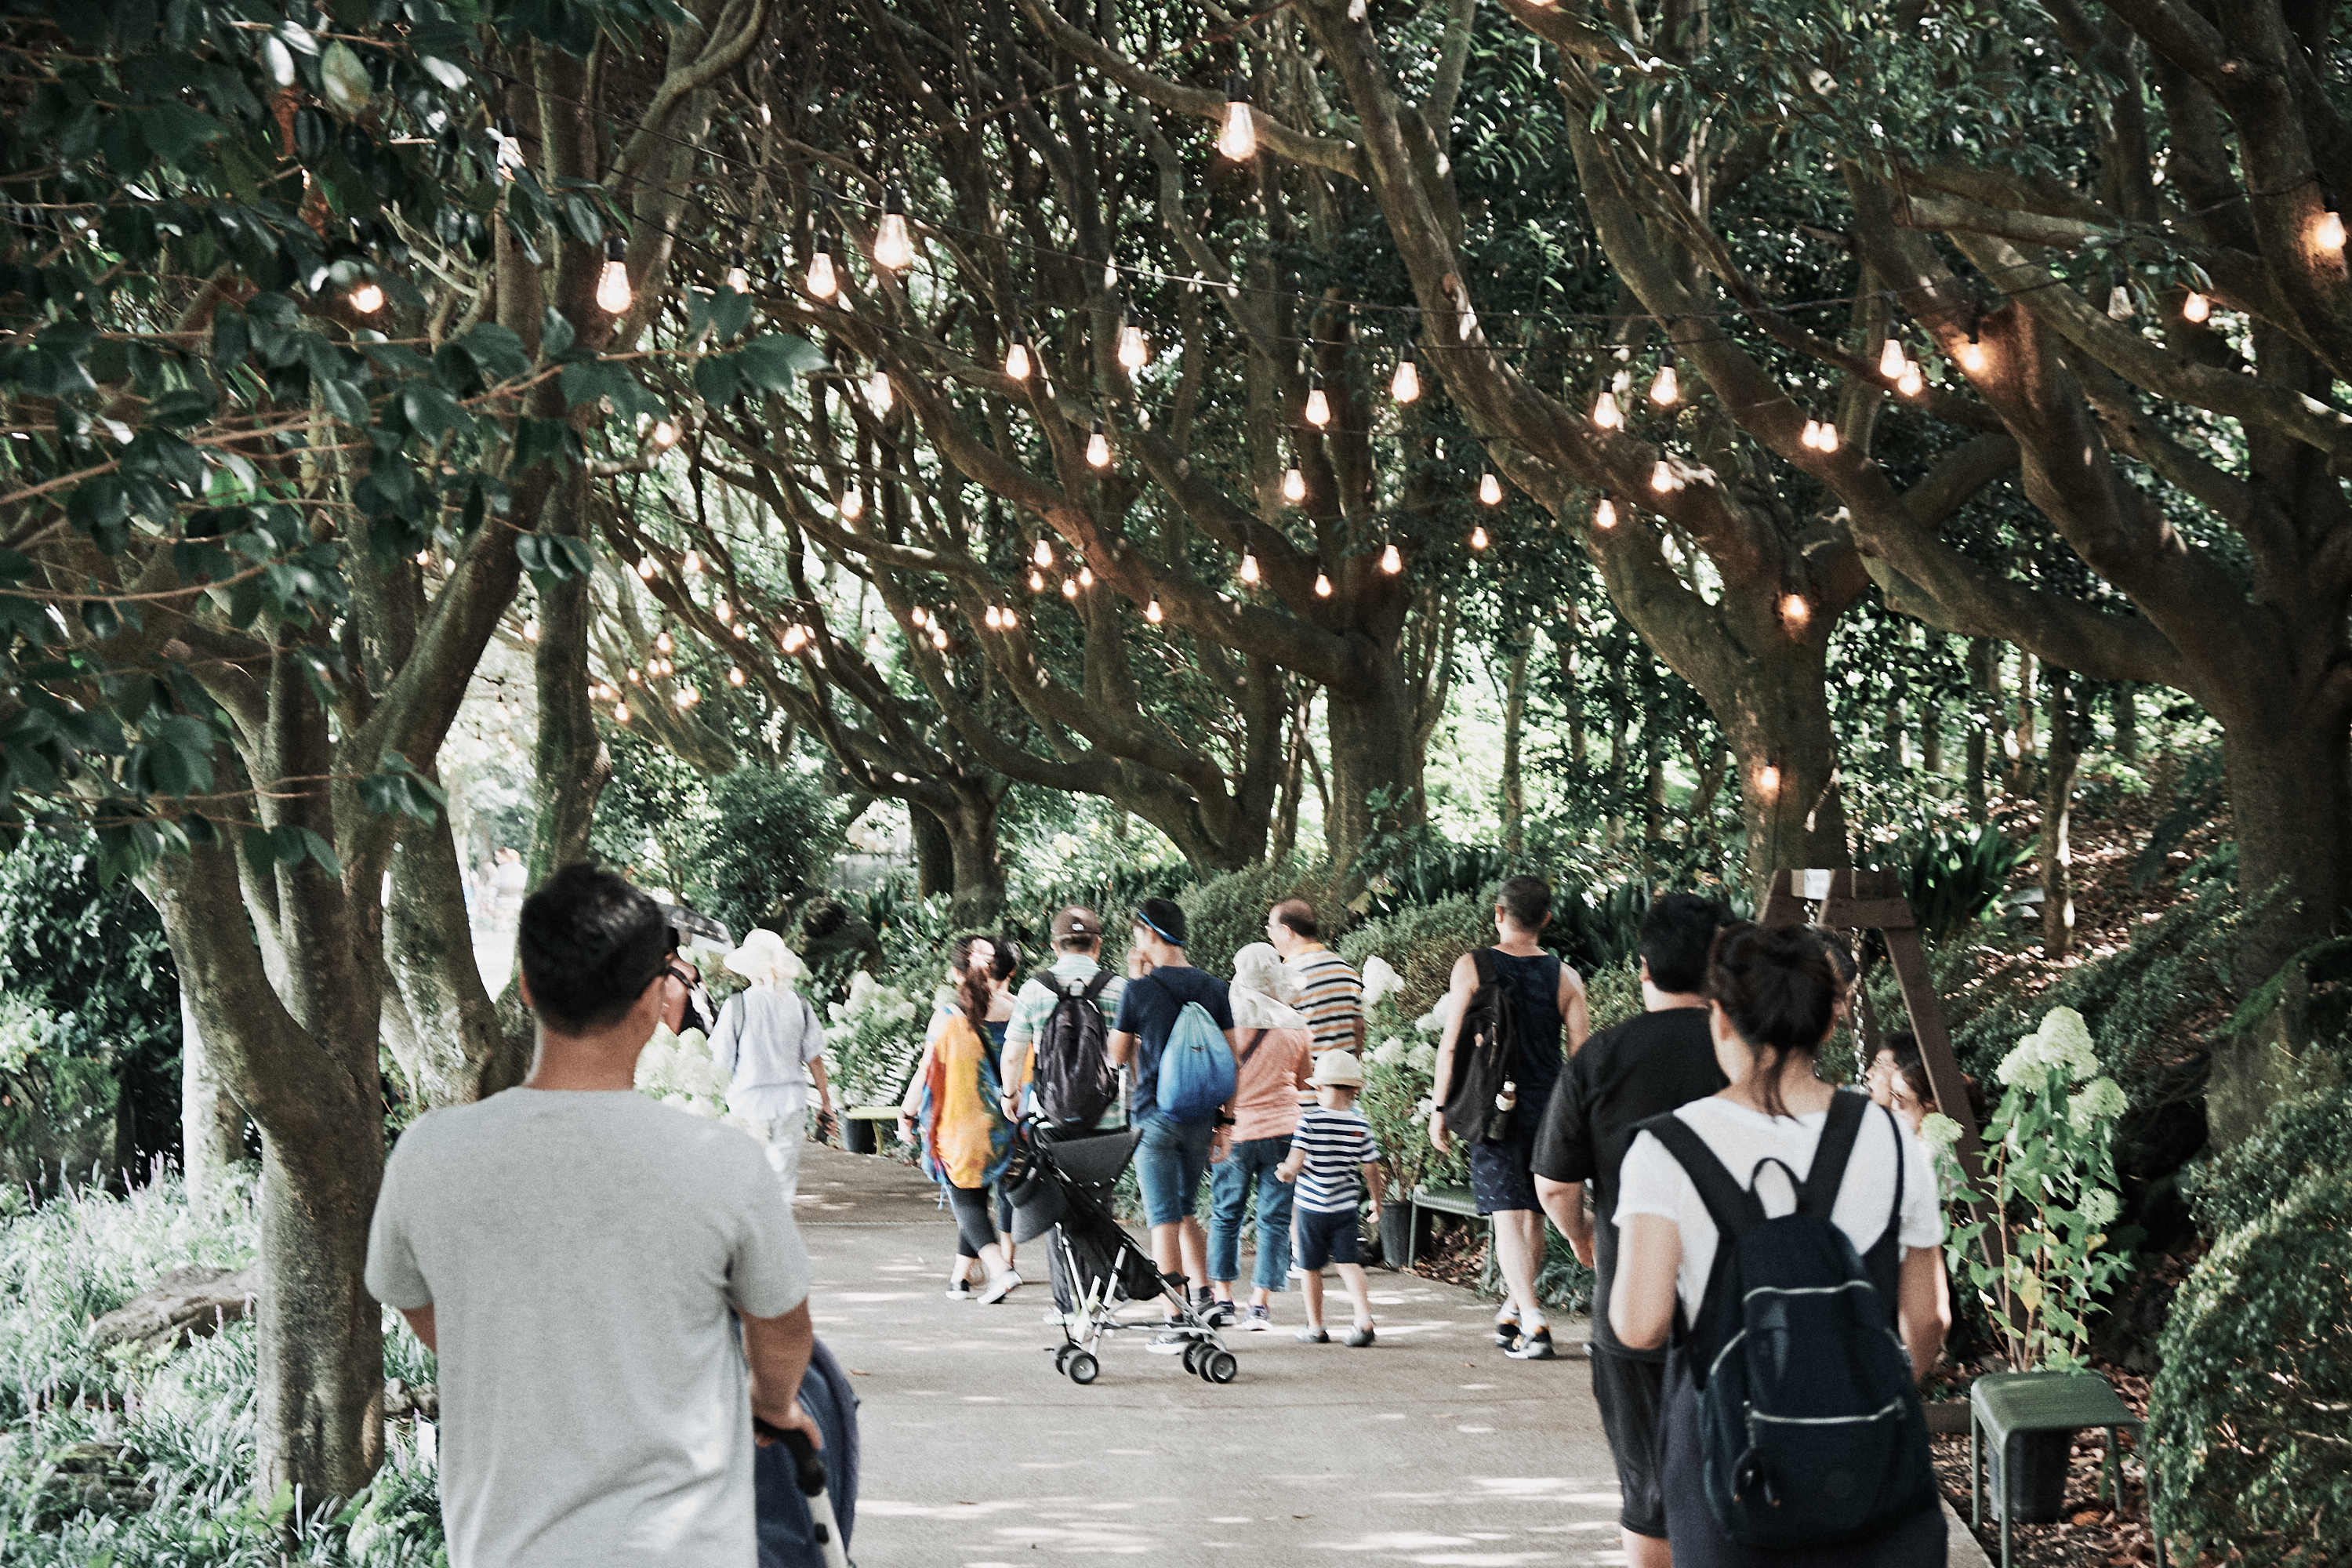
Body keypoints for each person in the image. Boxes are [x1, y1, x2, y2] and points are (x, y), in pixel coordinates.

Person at [365, 864, 818, 1568]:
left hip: (505, 1548)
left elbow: (425, 1312)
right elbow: (782, 1326)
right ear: (651, 1001)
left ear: (527, 989)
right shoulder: (721, 1163)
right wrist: (773, 1403)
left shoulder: (428, 1155)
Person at [1611, 923, 1950, 1567]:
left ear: (1719, 1018)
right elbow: (1929, 1320)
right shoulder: (1894, 1140)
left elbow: (1640, 1325)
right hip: (1867, 1466)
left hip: (1731, 1469)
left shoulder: (1664, 1150)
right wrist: (1858, 1387)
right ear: (1827, 1025)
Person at [1532, 891, 1737, 1568]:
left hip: (1634, 1305)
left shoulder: (1601, 1058)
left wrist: (1583, 1236)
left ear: (1642, 968)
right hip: (1743, 1307)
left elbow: (1556, 1184)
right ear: (1721, 971)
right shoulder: (1755, 1060)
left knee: (1649, 1495)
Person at [1429, 873, 1592, 1361]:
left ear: (1499, 914)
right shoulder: (1566, 978)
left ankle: (1535, 1321)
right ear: (1546, 920)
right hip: (1551, 1110)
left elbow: (1453, 1043)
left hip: (1493, 1106)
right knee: (1533, 1215)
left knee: (1507, 1218)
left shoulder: (1471, 968)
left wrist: (1440, 1109)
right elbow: (1580, 1056)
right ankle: (1515, 1308)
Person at [1106, 896, 1240, 1347]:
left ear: (1147, 933)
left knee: (1162, 1219)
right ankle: (1203, 1299)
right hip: (1202, 1117)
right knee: (1185, 1210)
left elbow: (1116, 1056)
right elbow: (1231, 1060)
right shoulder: (1215, 987)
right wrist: (1227, 1123)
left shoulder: (1139, 990)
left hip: (1154, 1117)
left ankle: (1175, 1320)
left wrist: (1135, 984)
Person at [901, 934, 1022, 1304]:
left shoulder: (949, 1016)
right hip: (1005, 1123)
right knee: (976, 1194)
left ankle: (1000, 1270)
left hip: (960, 1126)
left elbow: (926, 1071)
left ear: (957, 974)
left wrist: (906, 1113)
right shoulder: (1016, 1010)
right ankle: (960, 1277)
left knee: (965, 1199)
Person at [1206, 942, 1314, 1330]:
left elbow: (1217, 1077)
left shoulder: (1225, 1023)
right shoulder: (1296, 1024)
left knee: (1225, 1215)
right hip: (1285, 1131)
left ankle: (1221, 1298)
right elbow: (1304, 1081)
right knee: (1274, 1219)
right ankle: (1260, 1305)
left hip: (1235, 1131)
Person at [710, 928, 834, 1203]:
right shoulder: (799, 1004)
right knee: (782, 1180)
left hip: (747, 1104)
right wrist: (825, 1103)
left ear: (748, 969)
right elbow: (814, 1058)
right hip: (790, 1102)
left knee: (745, 1178)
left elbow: (720, 1062)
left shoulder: (737, 1006)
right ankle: (776, 1234)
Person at [1275, 1050, 1382, 1347]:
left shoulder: (1309, 1122)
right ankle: (1363, 1319)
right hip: (1345, 1208)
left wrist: (1285, 1171)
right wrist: (1376, 1200)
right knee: (1349, 1263)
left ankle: (1316, 1327)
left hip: (1312, 1208)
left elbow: (1295, 1163)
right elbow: (1371, 1167)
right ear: (1355, 1090)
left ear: (1319, 1088)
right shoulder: (1360, 1126)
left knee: (1310, 1267)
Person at [998, 906, 1125, 1123]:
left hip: (1051, 1118)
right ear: (1098, 944)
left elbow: (1011, 1057)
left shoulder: (1033, 990)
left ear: (1055, 947)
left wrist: (1010, 1095)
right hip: (1108, 1120)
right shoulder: (1120, 988)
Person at [1266, 898, 1363, 1078]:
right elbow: (1358, 1028)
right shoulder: (1345, 969)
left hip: (1308, 1094)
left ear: (1286, 931)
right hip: (1346, 1090)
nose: (1269, 936)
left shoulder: (1283, 980)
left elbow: (1281, 1045)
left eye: (1270, 929)